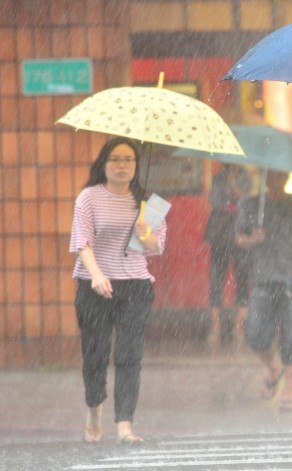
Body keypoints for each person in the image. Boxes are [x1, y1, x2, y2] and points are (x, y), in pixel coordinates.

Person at [69, 137, 167, 444]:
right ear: (104, 164)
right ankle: (94, 409)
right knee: (95, 354)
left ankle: (125, 424)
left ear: (137, 165)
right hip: (94, 286)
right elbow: (81, 242)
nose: (122, 165)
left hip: (136, 286)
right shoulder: (88, 198)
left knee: (129, 355)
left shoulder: (149, 203)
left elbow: (155, 249)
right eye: (115, 159)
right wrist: (97, 275)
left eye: (128, 160)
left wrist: (146, 232)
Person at [235, 170, 292, 412]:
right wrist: (253, 239)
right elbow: (238, 238)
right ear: (264, 178)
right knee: (255, 334)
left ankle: (287, 392)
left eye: (281, 176)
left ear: (286, 178)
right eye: (272, 176)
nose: (276, 180)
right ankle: (274, 367)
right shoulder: (251, 204)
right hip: (263, 280)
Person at [204, 164, 252, 349]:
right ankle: (215, 326)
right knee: (217, 277)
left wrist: (233, 187)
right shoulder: (217, 178)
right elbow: (215, 202)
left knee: (242, 277)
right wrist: (231, 192)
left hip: (241, 229)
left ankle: (238, 326)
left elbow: (246, 201)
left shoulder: (246, 177)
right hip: (220, 230)